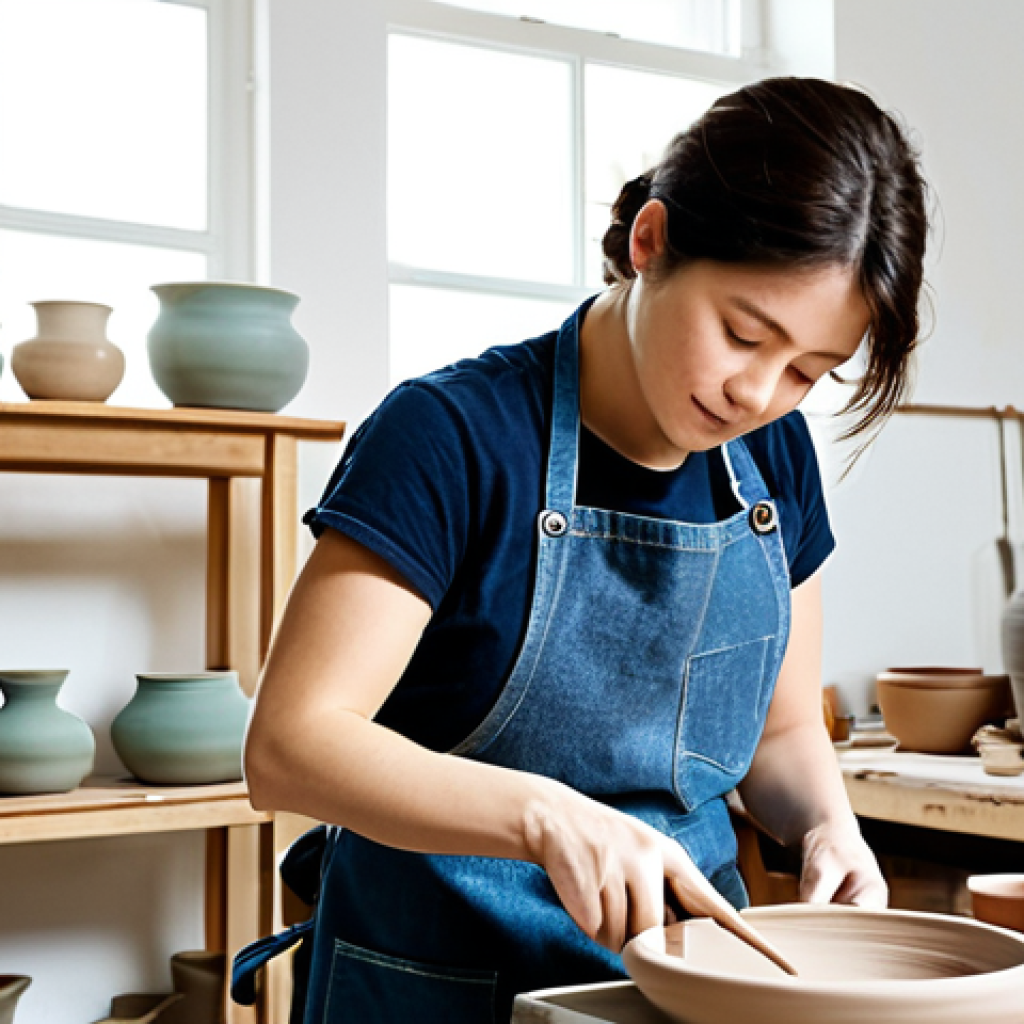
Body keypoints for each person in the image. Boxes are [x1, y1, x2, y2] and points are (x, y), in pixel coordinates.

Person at [233, 76, 928, 1023]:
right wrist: (548, 817)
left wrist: (826, 827)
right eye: (741, 333)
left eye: (808, 370)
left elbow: (782, 733)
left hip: (678, 984)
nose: (756, 393)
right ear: (651, 243)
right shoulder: (451, 438)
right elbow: (291, 746)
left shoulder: (773, 458)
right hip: (431, 983)